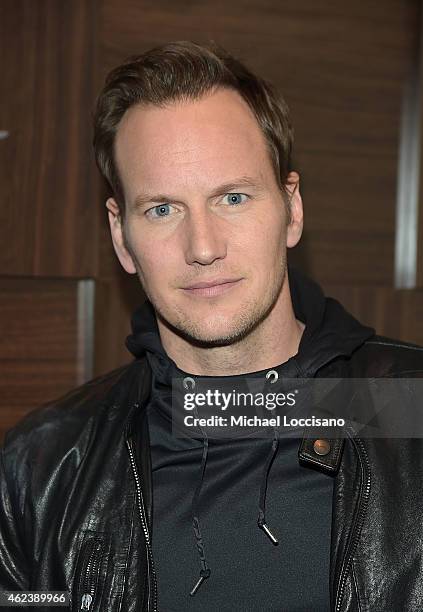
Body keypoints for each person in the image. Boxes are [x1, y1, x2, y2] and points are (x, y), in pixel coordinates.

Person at [1, 40, 422, 612]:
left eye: (233, 197)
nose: (202, 247)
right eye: (162, 209)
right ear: (121, 237)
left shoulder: (409, 407)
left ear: (291, 210)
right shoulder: (41, 468)